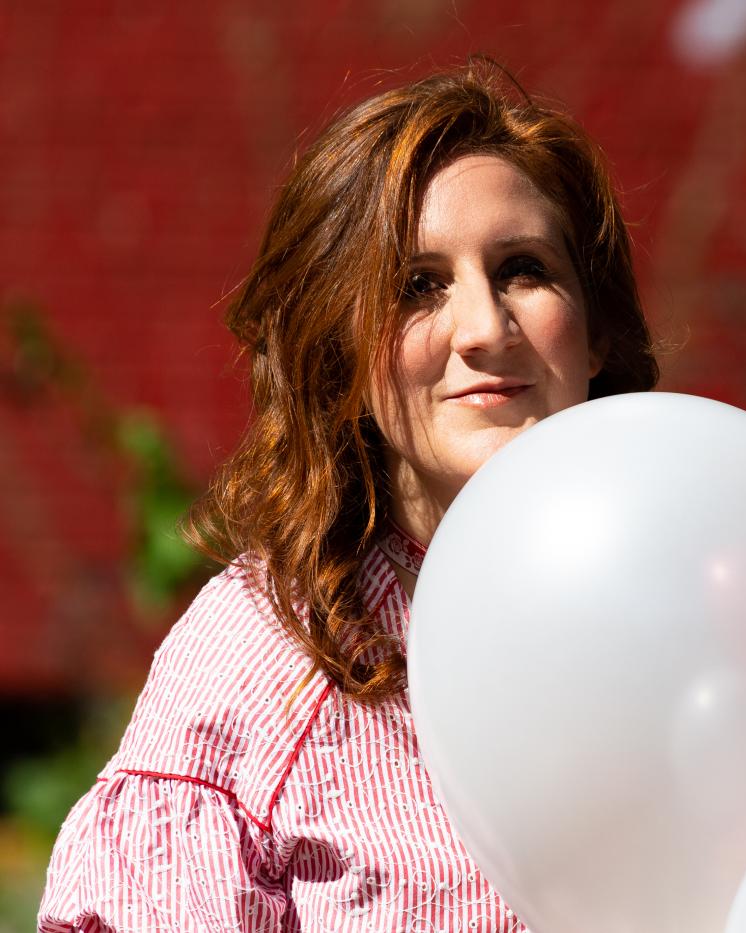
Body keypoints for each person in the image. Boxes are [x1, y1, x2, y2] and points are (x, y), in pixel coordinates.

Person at [38, 61, 658, 931]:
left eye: (523, 269)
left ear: (595, 333)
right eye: (418, 286)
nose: (485, 327)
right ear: (343, 350)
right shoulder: (268, 649)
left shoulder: (708, 591)